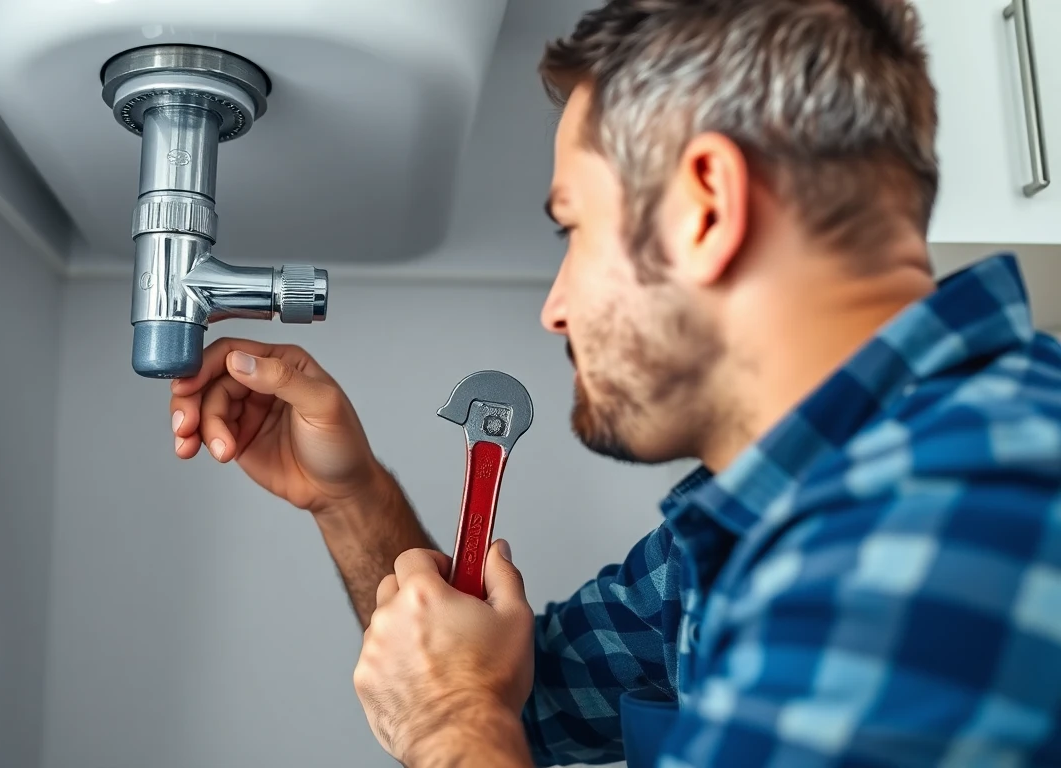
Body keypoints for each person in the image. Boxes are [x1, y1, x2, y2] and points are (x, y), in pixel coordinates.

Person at [168, 0, 1061, 765]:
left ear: (707, 207)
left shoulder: (934, 532)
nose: (555, 309)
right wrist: (349, 497)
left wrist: (454, 722)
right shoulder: (757, 519)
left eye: (573, 230)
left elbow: (469, 712)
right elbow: (512, 694)